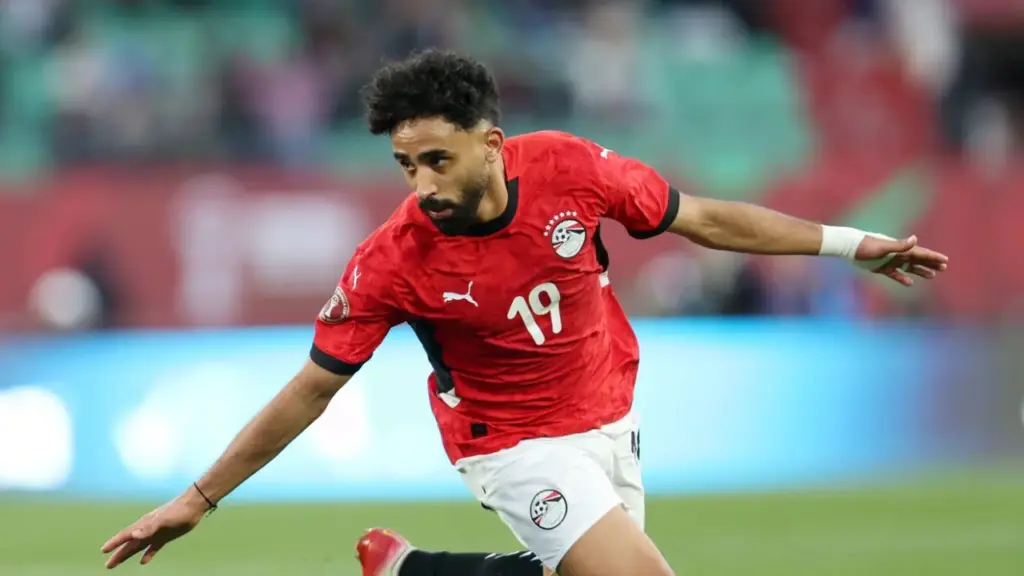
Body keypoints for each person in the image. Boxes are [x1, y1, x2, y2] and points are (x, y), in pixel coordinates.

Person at [100, 49, 949, 576]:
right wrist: (199, 497)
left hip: (609, 412)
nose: (422, 184)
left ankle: (410, 572)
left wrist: (851, 245)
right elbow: (311, 388)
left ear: (492, 145)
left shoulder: (572, 171)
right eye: (405, 165)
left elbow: (703, 219)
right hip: (508, 443)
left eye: (438, 159)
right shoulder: (393, 259)